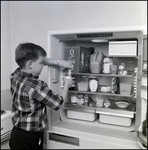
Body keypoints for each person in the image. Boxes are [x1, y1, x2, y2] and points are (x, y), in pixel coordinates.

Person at [9, 42, 73, 149]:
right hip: (30, 138)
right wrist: (67, 84)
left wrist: (59, 62)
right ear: (30, 64)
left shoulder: (15, 75)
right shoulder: (37, 86)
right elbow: (59, 103)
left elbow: (31, 59)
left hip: (16, 134)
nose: (43, 65)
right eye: (41, 63)